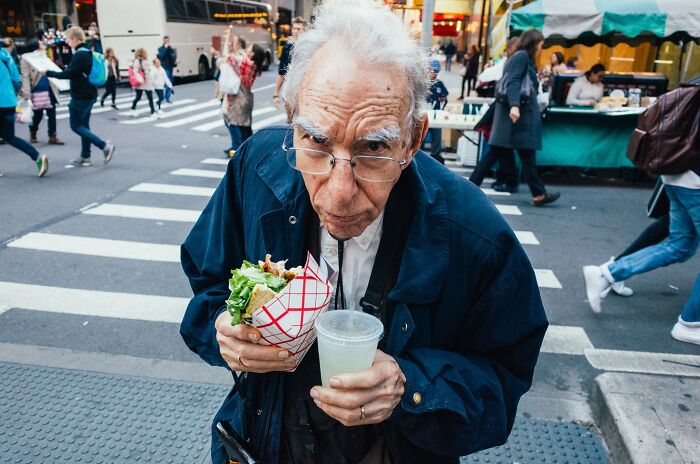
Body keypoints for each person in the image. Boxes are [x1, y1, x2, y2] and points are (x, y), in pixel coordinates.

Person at [179, 2, 548, 463]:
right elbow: (207, 290)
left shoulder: (475, 236)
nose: (338, 195)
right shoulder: (255, 172)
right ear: (291, 120)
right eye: (315, 142)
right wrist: (222, 331)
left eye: (373, 148)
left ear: (413, 141)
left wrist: (409, 386)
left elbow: (503, 383)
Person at [583, 167, 700, 346]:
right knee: (678, 244)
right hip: (694, 179)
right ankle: (690, 322)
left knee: (679, 245)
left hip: (678, 176)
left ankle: (607, 273)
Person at [470, 29, 560, 206]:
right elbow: (513, 81)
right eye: (541, 44)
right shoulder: (522, 56)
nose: (542, 47)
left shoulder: (519, 56)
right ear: (534, 43)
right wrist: (515, 106)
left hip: (513, 117)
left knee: (505, 154)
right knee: (518, 154)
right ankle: (538, 194)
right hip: (517, 118)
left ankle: (538, 193)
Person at [45, 26, 115, 167]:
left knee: (76, 125)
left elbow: (68, 74)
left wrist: (48, 73)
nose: (67, 42)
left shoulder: (79, 55)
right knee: (84, 125)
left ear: (75, 39)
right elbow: (74, 72)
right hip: (90, 93)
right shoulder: (88, 52)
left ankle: (104, 146)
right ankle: (85, 156)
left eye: (68, 39)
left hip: (81, 95)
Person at [0, 42, 49, 177]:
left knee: (8, 137)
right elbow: (16, 79)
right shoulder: (7, 57)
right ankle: (38, 157)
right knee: (10, 137)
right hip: (9, 102)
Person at [20, 38, 64, 145]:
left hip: (49, 87)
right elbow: (25, 76)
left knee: (52, 112)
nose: (43, 45)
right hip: (37, 88)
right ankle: (33, 130)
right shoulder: (26, 59)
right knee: (38, 114)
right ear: (36, 47)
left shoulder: (44, 56)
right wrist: (27, 93)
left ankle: (52, 135)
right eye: (40, 44)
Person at [273, 16, 306, 109]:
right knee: (291, 122)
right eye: (294, 28)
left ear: (304, 31)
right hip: (290, 93)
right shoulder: (287, 47)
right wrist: (275, 94)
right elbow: (282, 72)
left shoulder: (309, 47)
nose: (296, 31)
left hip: (306, 93)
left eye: (298, 29)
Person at [423, 59, 448, 164]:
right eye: (433, 71)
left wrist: (442, 99)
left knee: (436, 135)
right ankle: (420, 156)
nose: (435, 74)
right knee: (421, 136)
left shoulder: (439, 83)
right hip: (424, 114)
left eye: (437, 72)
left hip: (436, 114)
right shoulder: (422, 83)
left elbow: (445, 96)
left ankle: (435, 158)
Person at [129, 48, 156, 118]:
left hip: (147, 82)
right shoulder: (137, 61)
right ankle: (132, 108)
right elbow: (135, 72)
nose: (146, 53)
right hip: (141, 83)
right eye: (144, 52)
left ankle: (153, 112)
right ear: (141, 53)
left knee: (150, 97)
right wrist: (141, 80)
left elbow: (147, 72)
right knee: (138, 97)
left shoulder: (144, 60)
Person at [157, 36, 178, 104]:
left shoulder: (170, 48)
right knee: (167, 82)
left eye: (168, 40)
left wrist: (175, 60)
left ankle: (169, 92)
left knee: (169, 81)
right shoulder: (160, 49)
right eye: (166, 40)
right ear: (163, 41)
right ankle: (167, 97)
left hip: (170, 67)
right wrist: (166, 48)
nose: (167, 42)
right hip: (164, 67)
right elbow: (161, 56)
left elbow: (173, 56)